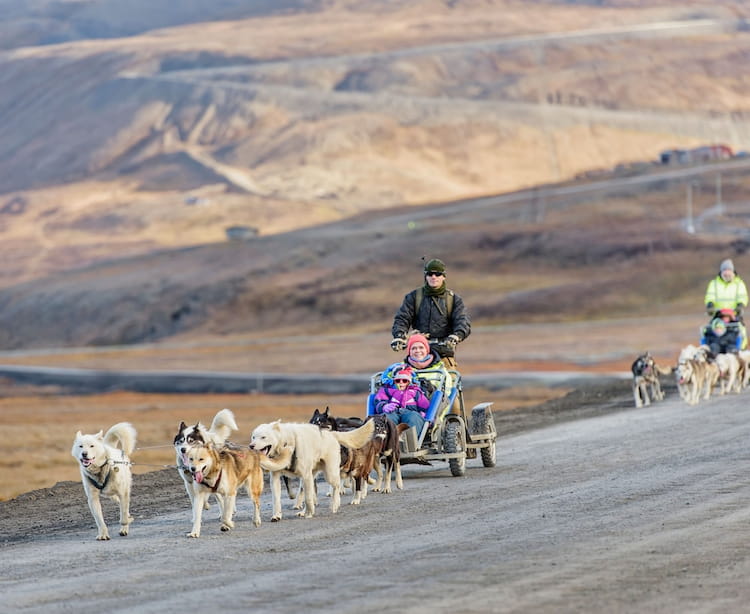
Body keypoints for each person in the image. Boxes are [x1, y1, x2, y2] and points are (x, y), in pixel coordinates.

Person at [390, 258, 471, 369]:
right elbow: (402, 318)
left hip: (444, 353)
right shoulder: (414, 297)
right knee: (406, 381)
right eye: (430, 274)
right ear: (425, 276)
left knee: (448, 382)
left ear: (444, 276)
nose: (433, 277)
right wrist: (399, 336)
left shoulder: (453, 299)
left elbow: (462, 321)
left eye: (437, 274)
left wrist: (456, 336)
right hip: (418, 353)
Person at [403, 333, 455, 417]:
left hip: (430, 412)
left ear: (427, 350)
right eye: (413, 348)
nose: (418, 351)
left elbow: (444, 399)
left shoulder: (440, 370)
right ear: (409, 351)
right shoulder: (401, 368)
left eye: (421, 347)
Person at [373, 365, 430, 433]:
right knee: (386, 419)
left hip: (410, 412)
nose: (401, 382)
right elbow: (378, 401)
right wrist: (384, 406)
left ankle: (411, 441)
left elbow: (425, 405)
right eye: (398, 380)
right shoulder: (387, 390)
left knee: (414, 418)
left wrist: (424, 413)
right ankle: (388, 440)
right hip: (392, 412)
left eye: (404, 381)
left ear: (409, 382)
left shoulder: (415, 392)